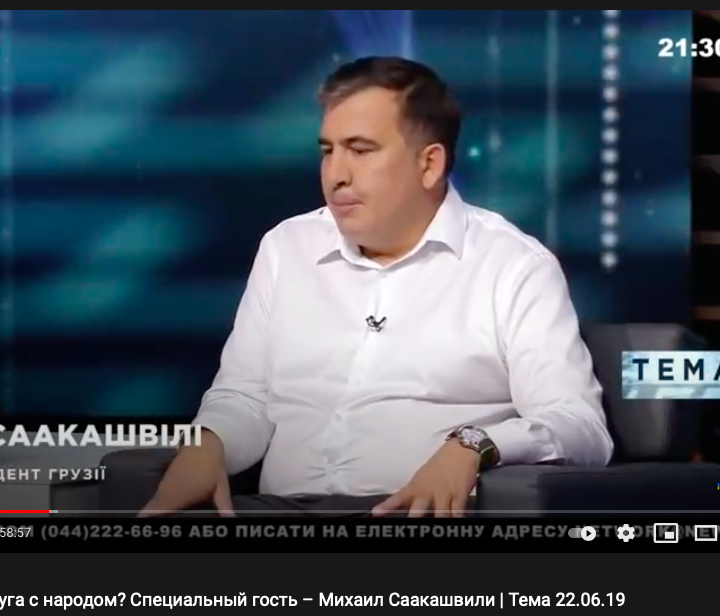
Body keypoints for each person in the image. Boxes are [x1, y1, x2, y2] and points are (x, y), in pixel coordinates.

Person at [108, 56, 613, 517]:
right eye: (327, 151)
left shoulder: (512, 266)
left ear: (429, 164)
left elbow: (580, 425)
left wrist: (473, 445)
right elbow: (246, 396)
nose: (336, 175)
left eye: (360, 150)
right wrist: (209, 444)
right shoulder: (287, 247)